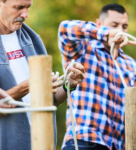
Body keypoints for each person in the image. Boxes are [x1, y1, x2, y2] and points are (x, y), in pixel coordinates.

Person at [58, 4, 136, 150]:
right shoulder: (83, 50)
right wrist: (106, 34)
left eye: (124, 26)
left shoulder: (134, 66)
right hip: (84, 142)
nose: (120, 31)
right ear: (99, 24)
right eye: (114, 25)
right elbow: (64, 29)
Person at [0, 0, 85, 150]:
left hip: (42, 143)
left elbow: (51, 102)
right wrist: (29, 85)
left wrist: (67, 85)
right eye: (18, 7)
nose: (25, 14)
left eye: (28, 7)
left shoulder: (32, 39)